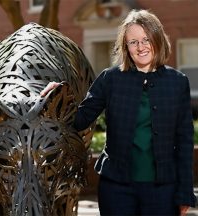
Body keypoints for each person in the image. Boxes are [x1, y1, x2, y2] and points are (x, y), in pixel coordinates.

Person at [41, 9, 196, 216]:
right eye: (133, 42)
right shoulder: (110, 79)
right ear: (126, 46)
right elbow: (80, 120)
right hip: (117, 189)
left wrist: (184, 192)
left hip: (163, 190)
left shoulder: (177, 82)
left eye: (146, 39)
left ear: (157, 39)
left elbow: (185, 141)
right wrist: (58, 95)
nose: (140, 47)